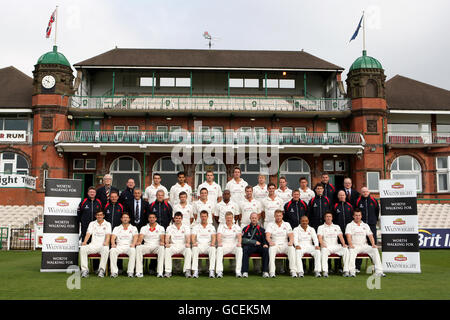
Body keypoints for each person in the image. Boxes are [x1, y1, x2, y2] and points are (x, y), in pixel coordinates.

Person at [346, 208, 385, 277]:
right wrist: (350, 244)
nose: (357, 217)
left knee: (374, 249)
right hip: (355, 246)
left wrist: (373, 244)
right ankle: (352, 272)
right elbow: (348, 236)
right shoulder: (349, 225)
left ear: (361, 216)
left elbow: (370, 235)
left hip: (364, 246)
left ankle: (379, 271)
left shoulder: (365, 225)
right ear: (353, 216)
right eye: (356, 215)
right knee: (351, 252)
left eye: (359, 215)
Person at [355, 187, 380, 272]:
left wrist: (373, 220)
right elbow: (356, 212)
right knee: (359, 244)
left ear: (369, 192)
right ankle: (357, 267)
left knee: (373, 245)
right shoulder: (358, 201)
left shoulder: (374, 201)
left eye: (366, 191)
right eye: (363, 192)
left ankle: (375, 266)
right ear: (361, 193)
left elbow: (377, 212)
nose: (365, 193)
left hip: (371, 225)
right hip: (361, 225)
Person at [265, 210, 297, 278]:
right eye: (277, 216)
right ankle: (272, 272)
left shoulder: (287, 224)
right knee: (271, 250)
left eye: (280, 216)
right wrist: (270, 241)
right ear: (274, 216)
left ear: (282, 216)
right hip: (275, 244)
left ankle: (293, 271)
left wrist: (291, 241)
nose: (278, 217)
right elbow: (267, 236)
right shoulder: (270, 224)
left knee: (292, 248)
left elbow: (291, 235)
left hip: (285, 244)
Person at [79, 211, 111, 278]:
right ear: (95, 216)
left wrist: (106, 242)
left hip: (102, 246)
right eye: (98, 215)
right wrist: (84, 242)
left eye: (101, 215)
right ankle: (84, 270)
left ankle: (101, 270)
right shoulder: (92, 223)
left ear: (103, 216)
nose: (99, 216)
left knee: (106, 248)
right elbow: (88, 234)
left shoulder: (108, 224)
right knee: (83, 248)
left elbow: (108, 235)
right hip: (93, 245)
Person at [317, 212, 349, 277]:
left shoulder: (336, 227)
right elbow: (319, 237)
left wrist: (344, 244)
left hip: (336, 246)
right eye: (327, 216)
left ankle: (346, 270)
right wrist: (322, 244)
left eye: (330, 216)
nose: (328, 218)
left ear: (332, 218)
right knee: (324, 251)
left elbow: (340, 236)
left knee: (346, 250)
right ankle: (325, 271)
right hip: (326, 246)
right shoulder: (321, 227)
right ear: (324, 218)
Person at [134, 212, 165, 278]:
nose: (152, 219)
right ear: (148, 219)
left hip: (156, 246)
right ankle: (139, 272)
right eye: (150, 217)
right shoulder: (144, 228)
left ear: (156, 219)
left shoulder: (161, 228)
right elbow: (141, 237)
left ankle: (160, 272)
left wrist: (162, 242)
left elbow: (162, 238)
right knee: (138, 247)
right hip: (146, 246)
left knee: (162, 248)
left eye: (153, 217)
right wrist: (139, 242)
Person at [109, 213, 139, 278]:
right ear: (121, 219)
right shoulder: (117, 228)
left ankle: (130, 272)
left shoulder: (133, 228)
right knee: (112, 250)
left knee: (133, 250)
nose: (125, 219)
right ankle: (114, 272)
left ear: (129, 219)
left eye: (127, 217)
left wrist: (133, 244)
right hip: (119, 246)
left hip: (129, 246)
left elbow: (136, 237)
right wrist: (113, 244)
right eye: (124, 217)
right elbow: (113, 237)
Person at [164, 212, 192, 278]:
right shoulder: (169, 227)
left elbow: (188, 237)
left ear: (182, 219)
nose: (178, 220)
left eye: (179, 218)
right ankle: (168, 271)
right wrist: (167, 243)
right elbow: (167, 237)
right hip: (173, 245)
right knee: (167, 250)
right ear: (174, 218)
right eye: (176, 218)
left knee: (188, 250)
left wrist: (188, 243)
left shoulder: (186, 227)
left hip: (183, 245)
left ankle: (187, 271)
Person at [241, 213, 270, 278]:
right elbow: (243, 240)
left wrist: (265, 244)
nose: (254, 219)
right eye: (252, 218)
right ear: (250, 219)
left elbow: (264, 240)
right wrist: (253, 242)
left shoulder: (261, 229)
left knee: (265, 250)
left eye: (255, 218)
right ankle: (245, 271)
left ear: (258, 219)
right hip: (250, 247)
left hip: (259, 247)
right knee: (245, 249)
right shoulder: (245, 229)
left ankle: (265, 271)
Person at [216, 212, 243, 278]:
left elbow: (239, 236)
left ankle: (238, 271)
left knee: (240, 249)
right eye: (227, 218)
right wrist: (219, 242)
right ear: (225, 218)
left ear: (232, 218)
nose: (229, 219)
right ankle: (219, 271)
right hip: (224, 245)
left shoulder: (236, 226)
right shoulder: (221, 226)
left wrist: (239, 243)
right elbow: (219, 235)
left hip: (233, 245)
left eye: (230, 218)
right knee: (219, 249)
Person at [191, 210, 217, 278]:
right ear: (200, 217)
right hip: (199, 245)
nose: (203, 218)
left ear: (207, 217)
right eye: (202, 216)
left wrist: (213, 243)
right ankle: (195, 271)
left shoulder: (211, 227)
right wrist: (194, 243)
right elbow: (193, 237)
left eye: (205, 216)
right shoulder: (196, 227)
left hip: (208, 245)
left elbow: (213, 237)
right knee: (194, 249)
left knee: (213, 249)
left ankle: (211, 271)